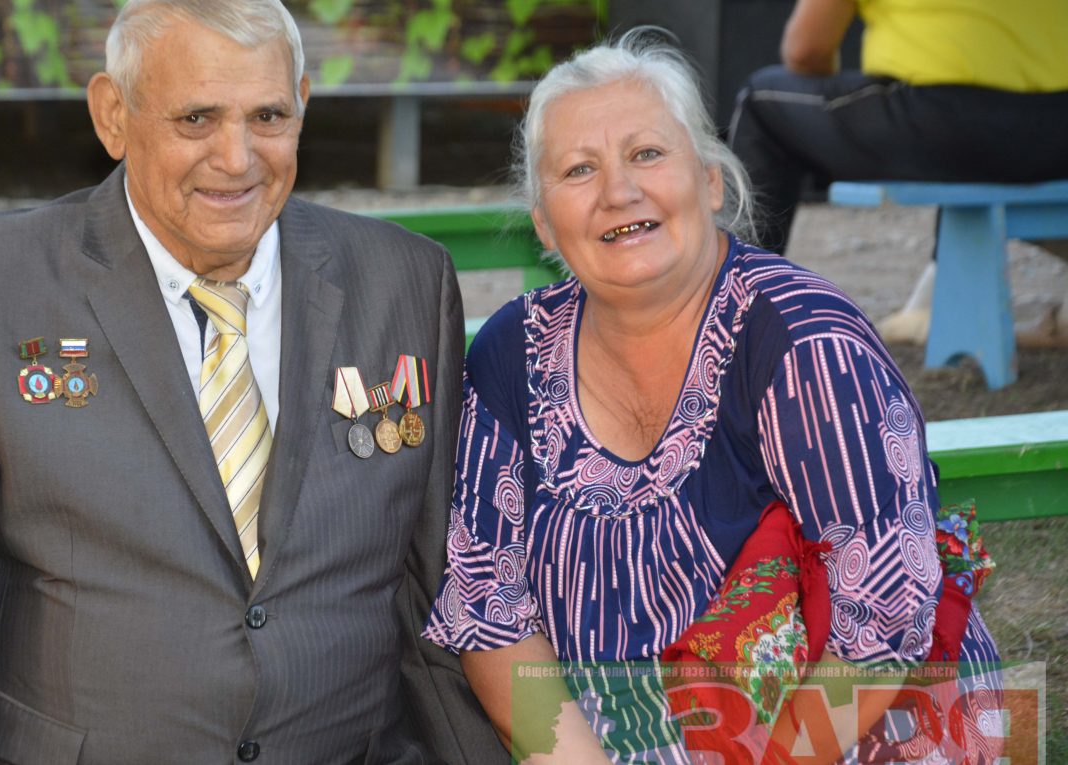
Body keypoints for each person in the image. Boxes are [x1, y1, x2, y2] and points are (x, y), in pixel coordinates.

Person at [0, 1, 507, 762]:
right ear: (113, 116)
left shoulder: (406, 281)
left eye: (267, 116)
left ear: (302, 105)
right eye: (196, 119)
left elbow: (438, 594)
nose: (237, 158)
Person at [423, 31, 1002, 762]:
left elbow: (884, 622)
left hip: (843, 726)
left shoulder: (804, 344)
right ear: (544, 222)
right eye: (579, 169)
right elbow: (489, 606)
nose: (618, 192)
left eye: (647, 153)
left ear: (710, 182)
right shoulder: (512, 353)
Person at [728, 0, 1068, 341]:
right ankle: (936, 295)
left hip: (939, 121)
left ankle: (731, 317)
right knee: (974, 147)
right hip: (1055, 133)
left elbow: (806, 50)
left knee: (763, 102)